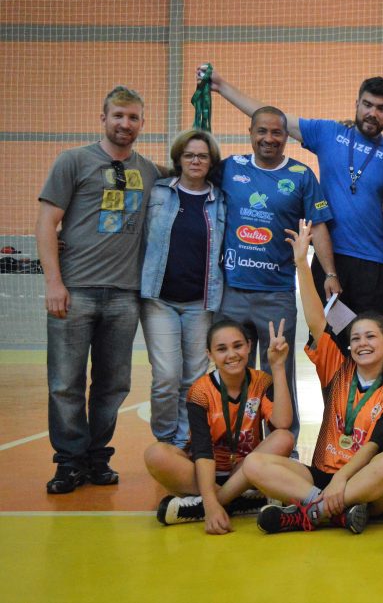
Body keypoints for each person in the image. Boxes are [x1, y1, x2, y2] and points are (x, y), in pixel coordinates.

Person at [241, 220, 383, 534]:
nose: (362, 343)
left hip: (365, 481)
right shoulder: (337, 367)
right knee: (254, 464)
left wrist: (342, 481)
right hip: (320, 477)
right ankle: (332, 511)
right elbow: (317, 320)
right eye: (356, 338)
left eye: (370, 337)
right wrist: (302, 264)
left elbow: (381, 450)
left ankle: (310, 512)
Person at [37, 85, 161, 493]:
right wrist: (54, 282)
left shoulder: (151, 172)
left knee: (113, 384)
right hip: (75, 292)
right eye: (118, 116)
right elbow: (46, 222)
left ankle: (96, 456)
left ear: (142, 123)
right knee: (65, 383)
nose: (125, 123)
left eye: (133, 117)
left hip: (125, 295)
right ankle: (69, 461)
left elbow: (195, 171)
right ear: (103, 118)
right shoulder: (73, 161)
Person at [199, 64, 383, 314]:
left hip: (375, 262)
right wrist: (221, 86)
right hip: (330, 259)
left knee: (372, 335)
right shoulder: (328, 133)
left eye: (381, 108)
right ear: (357, 104)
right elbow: (272, 119)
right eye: (367, 105)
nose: (372, 113)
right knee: (325, 337)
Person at [217, 106, 334, 441]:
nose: (269, 138)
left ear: (286, 137)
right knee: (234, 372)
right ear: (251, 133)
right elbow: (189, 177)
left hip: (277, 295)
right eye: (262, 131)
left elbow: (318, 226)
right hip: (231, 293)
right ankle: (236, 444)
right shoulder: (230, 168)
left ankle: (283, 444)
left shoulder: (301, 175)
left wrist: (330, 272)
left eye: (276, 132)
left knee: (277, 371)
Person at [144, 318, 294, 533]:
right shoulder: (200, 391)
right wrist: (211, 502)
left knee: (284, 438)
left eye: (238, 345)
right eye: (222, 349)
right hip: (204, 473)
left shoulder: (261, 381)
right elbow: (202, 451)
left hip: (245, 472)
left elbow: (283, 422)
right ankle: (240, 502)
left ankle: (211, 504)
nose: (231, 354)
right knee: (155, 454)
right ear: (210, 354)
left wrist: (278, 367)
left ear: (249, 346)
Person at [140, 129, 226, 448]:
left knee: (194, 380)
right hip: (159, 301)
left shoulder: (221, 201)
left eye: (202, 156)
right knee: (166, 377)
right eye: (189, 155)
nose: (195, 161)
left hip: (200, 304)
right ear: (178, 159)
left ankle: (183, 443)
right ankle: (165, 441)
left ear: (211, 162)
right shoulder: (159, 193)